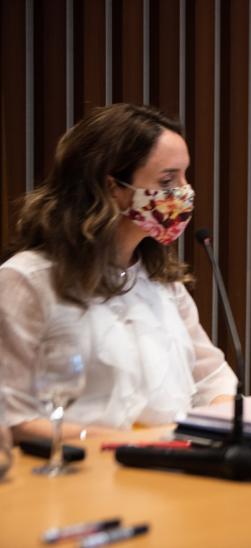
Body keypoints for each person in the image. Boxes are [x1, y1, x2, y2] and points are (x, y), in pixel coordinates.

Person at [0, 103, 238, 439]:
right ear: (113, 187)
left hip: (172, 470)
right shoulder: (26, 281)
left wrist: (216, 426)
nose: (185, 192)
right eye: (168, 179)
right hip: (78, 473)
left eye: (185, 176)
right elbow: (12, 417)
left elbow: (212, 377)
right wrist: (127, 443)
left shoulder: (162, 281)